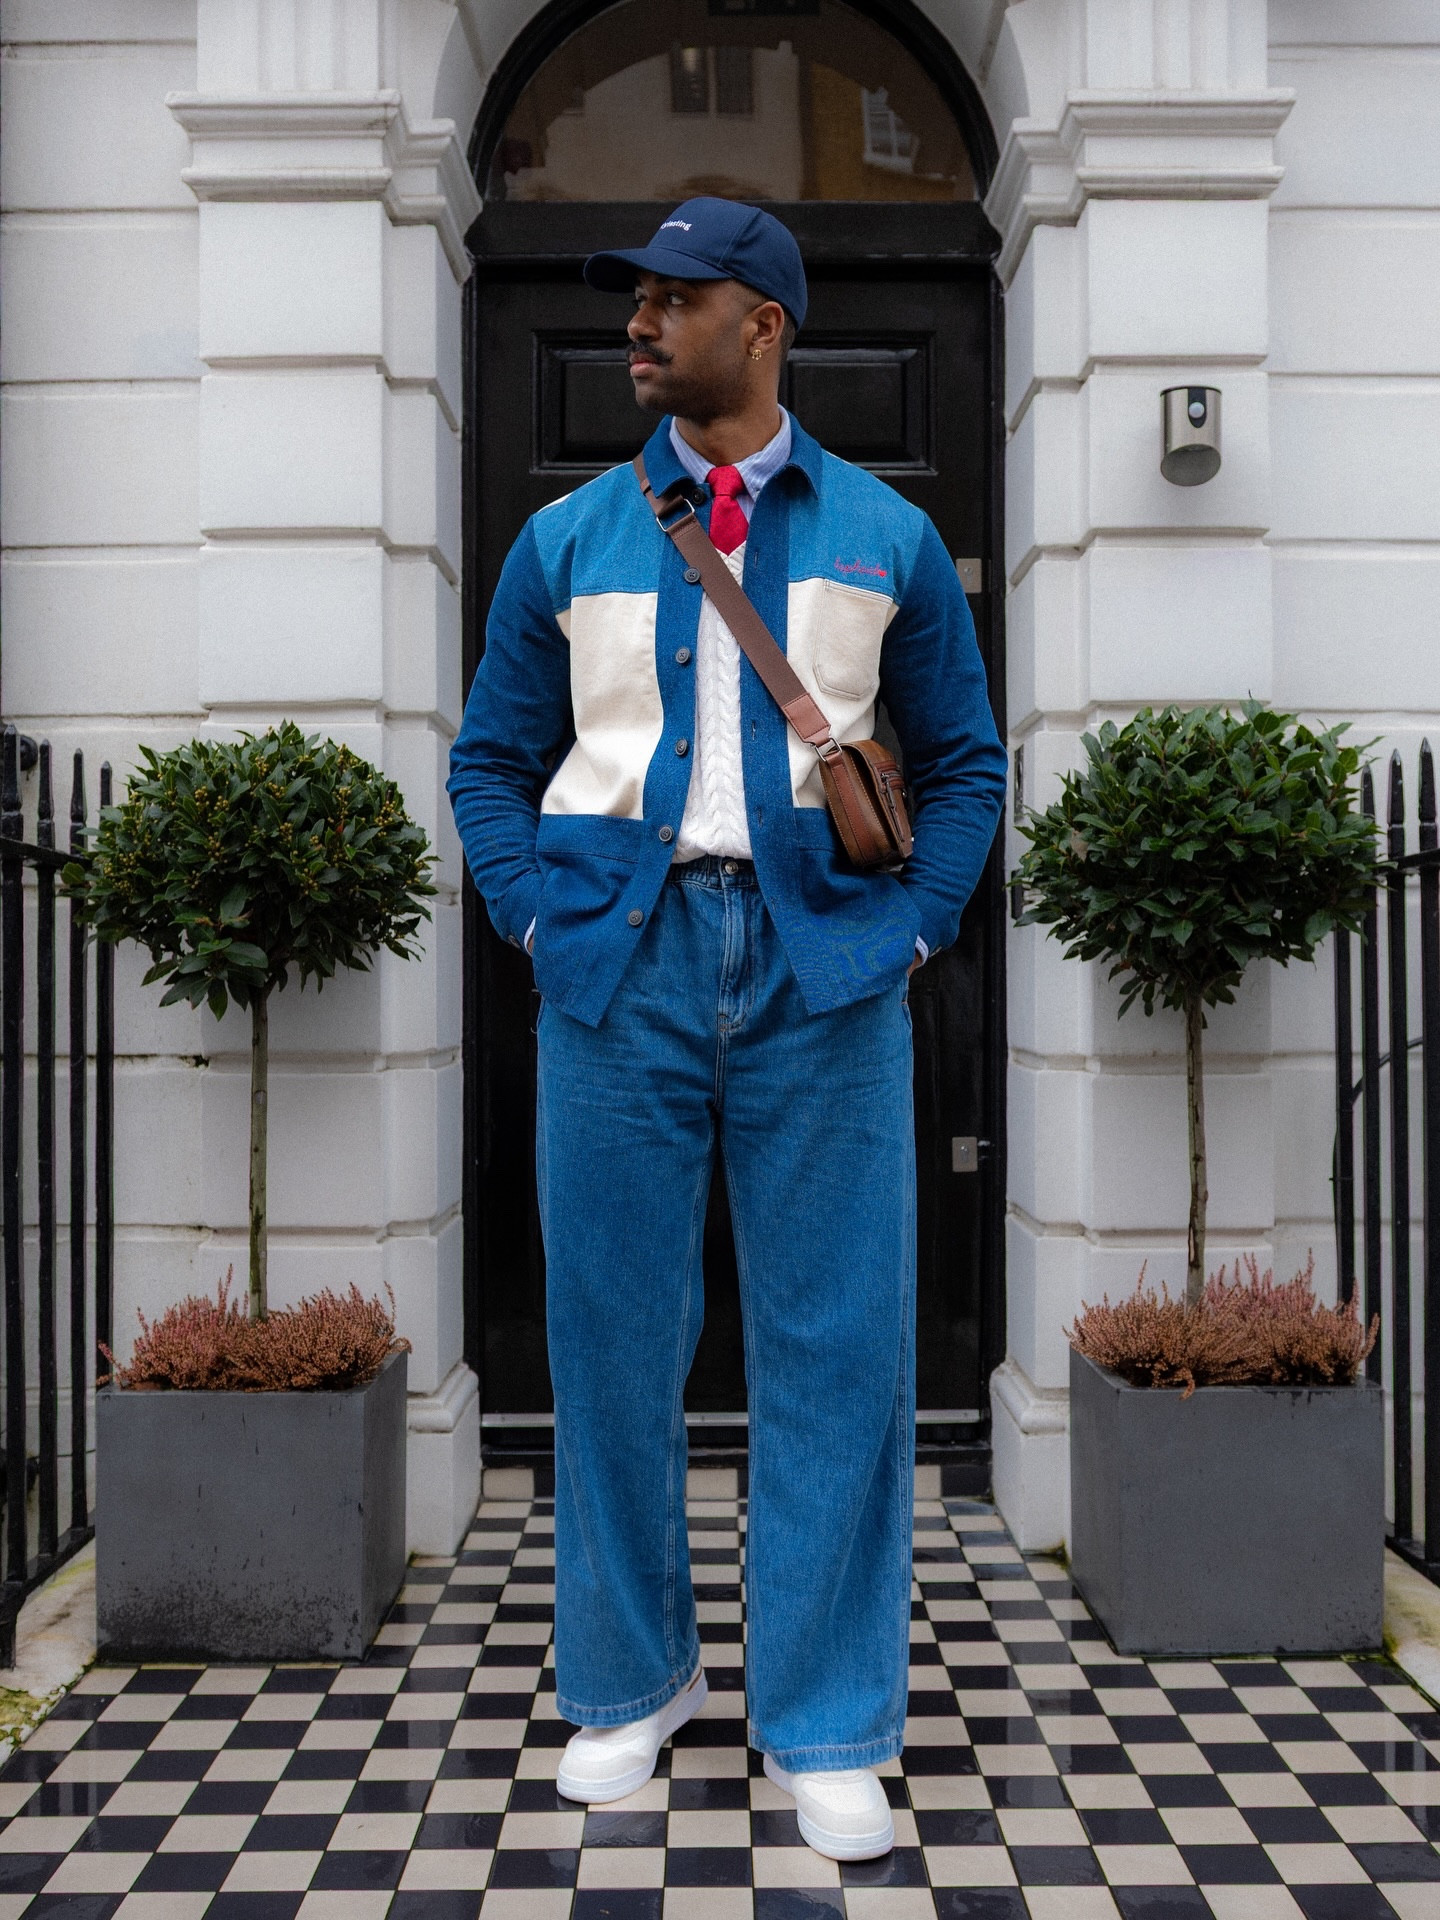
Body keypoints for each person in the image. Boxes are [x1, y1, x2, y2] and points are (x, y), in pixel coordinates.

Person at [448, 197, 1006, 1862]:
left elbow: (964, 762)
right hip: (615, 969)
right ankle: (634, 1681)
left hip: (825, 974)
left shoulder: (887, 536)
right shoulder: (566, 539)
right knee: (609, 1339)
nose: (638, 324)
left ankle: (827, 1717)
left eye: (672, 300)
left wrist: (915, 925)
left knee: (839, 1347)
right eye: (633, 300)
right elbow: (490, 759)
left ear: (762, 324)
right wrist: (530, 916)